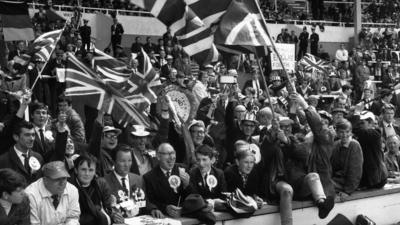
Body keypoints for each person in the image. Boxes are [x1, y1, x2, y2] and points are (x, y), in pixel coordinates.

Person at [70, 154, 123, 225]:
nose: (87, 174)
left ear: (95, 172)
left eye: (91, 170)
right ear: (76, 170)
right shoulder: (70, 188)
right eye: (83, 169)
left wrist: (115, 216)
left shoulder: (101, 184)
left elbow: (108, 210)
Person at [143, 143, 192, 218]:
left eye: (173, 153)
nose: (172, 157)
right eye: (168, 154)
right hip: (164, 217)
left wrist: (187, 185)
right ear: (158, 156)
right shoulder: (149, 177)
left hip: (184, 216)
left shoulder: (183, 169)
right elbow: (151, 202)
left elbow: (194, 196)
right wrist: (165, 208)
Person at [25, 161, 80, 225]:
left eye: (64, 178)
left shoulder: (72, 190)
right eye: (57, 179)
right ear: (45, 180)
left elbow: (73, 217)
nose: (62, 183)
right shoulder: (30, 195)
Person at [104, 144, 146, 218]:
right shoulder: (104, 182)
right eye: (122, 161)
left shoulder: (139, 179)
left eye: (129, 160)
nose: (127, 165)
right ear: (113, 162)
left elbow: (145, 203)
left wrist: (153, 209)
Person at [0, 120, 44, 184]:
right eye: (27, 135)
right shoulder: (3, 160)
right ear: (16, 137)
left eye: (33, 135)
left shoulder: (38, 157)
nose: (32, 139)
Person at [331, 119, 363, 195]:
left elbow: (355, 172)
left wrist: (347, 191)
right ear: (337, 132)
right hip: (335, 180)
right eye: (341, 132)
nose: (345, 135)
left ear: (351, 132)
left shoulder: (354, 145)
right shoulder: (336, 145)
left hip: (346, 184)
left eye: (347, 132)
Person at [189, 145, 226, 209]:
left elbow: (223, 196)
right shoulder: (192, 173)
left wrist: (213, 204)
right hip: (200, 210)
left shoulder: (219, 174)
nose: (201, 164)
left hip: (217, 210)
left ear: (212, 160)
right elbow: (194, 197)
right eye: (198, 160)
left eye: (204, 159)